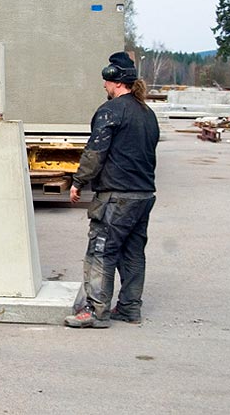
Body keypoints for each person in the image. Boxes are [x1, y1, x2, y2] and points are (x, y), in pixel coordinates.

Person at [64, 52, 160, 329]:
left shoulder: (111, 111)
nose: (103, 86)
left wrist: (78, 182)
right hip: (143, 195)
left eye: (106, 81)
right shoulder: (147, 113)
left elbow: (95, 152)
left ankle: (96, 311)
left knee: (100, 251)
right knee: (132, 253)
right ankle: (130, 307)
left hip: (116, 196)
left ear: (116, 82)